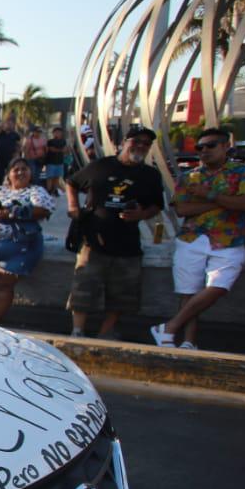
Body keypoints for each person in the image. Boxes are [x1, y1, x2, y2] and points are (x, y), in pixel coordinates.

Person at [151, 128, 245, 349]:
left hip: (229, 239)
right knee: (188, 291)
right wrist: (223, 201)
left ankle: (170, 327)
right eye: (200, 147)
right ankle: (188, 342)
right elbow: (182, 209)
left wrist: (208, 195)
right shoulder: (189, 176)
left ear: (225, 147)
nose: (204, 151)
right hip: (192, 238)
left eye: (210, 146)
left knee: (219, 286)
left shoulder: (244, 172)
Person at [65, 125, 165, 339]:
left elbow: (157, 205)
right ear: (124, 143)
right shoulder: (101, 166)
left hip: (127, 243)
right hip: (93, 240)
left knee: (123, 295)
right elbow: (71, 182)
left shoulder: (150, 175)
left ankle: (105, 333)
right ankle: (77, 331)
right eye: (135, 141)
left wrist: (141, 214)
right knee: (83, 288)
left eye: (145, 144)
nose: (140, 146)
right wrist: (73, 207)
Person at [0, 159, 53, 324]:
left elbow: (43, 210)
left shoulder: (36, 191)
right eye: (16, 169)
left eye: (24, 169)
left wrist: (12, 213)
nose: (20, 172)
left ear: (31, 173)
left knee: (3, 286)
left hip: (14, 245)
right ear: (9, 174)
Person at [0, 115, 21, 186]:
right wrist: (4, 122)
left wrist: (17, 154)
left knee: (10, 174)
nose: (9, 125)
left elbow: (18, 145)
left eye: (11, 123)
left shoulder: (15, 135)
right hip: (0, 157)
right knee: (0, 176)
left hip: (10, 157)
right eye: (8, 123)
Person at [42, 126, 70, 196]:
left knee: (57, 178)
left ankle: (54, 190)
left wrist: (61, 150)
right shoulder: (50, 141)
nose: (57, 134)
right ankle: (48, 191)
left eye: (59, 132)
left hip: (60, 162)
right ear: (53, 133)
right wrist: (61, 150)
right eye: (56, 132)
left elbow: (66, 150)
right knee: (50, 178)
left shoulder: (63, 141)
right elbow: (51, 149)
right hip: (50, 162)